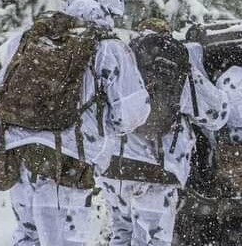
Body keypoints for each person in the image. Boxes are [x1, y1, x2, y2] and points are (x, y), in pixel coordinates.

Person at [0, 0, 151, 246]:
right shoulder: (110, 49)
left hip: (16, 155)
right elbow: (130, 115)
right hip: (68, 161)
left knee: (27, 238)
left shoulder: (27, 39)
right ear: (111, 10)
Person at [96, 18, 231, 246]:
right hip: (157, 171)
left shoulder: (121, 60)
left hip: (115, 167)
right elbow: (216, 114)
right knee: (154, 239)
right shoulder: (173, 67)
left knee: (121, 235)